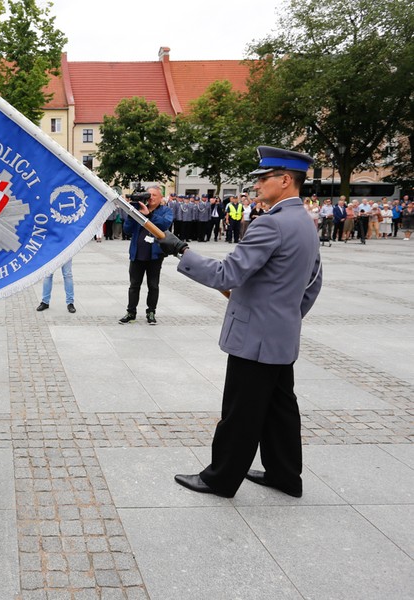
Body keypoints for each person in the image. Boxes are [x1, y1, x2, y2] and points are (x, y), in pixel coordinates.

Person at [159, 146, 322, 499]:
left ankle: (220, 478)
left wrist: (182, 251)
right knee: (280, 409)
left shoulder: (271, 224)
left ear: (285, 180)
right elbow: (313, 282)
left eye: (264, 179)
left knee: (241, 411)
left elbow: (227, 274)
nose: (257, 185)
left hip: (256, 338)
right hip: (280, 336)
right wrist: (288, 315)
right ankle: (284, 474)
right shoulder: (305, 223)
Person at [119, 185, 173, 325]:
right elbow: (127, 230)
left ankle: (151, 312)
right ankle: (131, 312)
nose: (151, 197)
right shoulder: (137, 209)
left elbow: (164, 225)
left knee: (153, 285)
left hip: (155, 255)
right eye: (149, 194)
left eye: (155, 195)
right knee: (134, 285)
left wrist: (149, 215)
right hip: (137, 253)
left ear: (161, 198)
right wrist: (132, 213)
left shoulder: (165, 211)